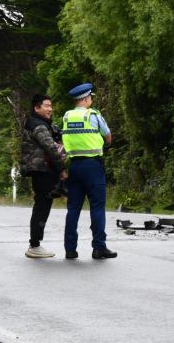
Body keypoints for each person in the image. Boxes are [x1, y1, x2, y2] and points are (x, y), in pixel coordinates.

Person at [61, 82, 116, 260]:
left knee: (73, 209)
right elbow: (108, 137)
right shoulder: (94, 115)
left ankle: (70, 249)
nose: (91, 100)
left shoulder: (67, 116)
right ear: (85, 98)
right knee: (97, 208)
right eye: (90, 97)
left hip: (74, 166)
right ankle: (99, 247)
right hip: (93, 166)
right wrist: (104, 143)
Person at [20, 94, 67, 258]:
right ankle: (34, 245)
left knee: (43, 205)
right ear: (36, 108)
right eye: (46, 106)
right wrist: (62, 168)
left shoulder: (40, 123)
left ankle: (35, 243)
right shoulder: (38, 125)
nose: (50, 109)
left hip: (42, 170)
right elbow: (51, 148)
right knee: (42, 206)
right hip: (42, 170)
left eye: (51, 106)